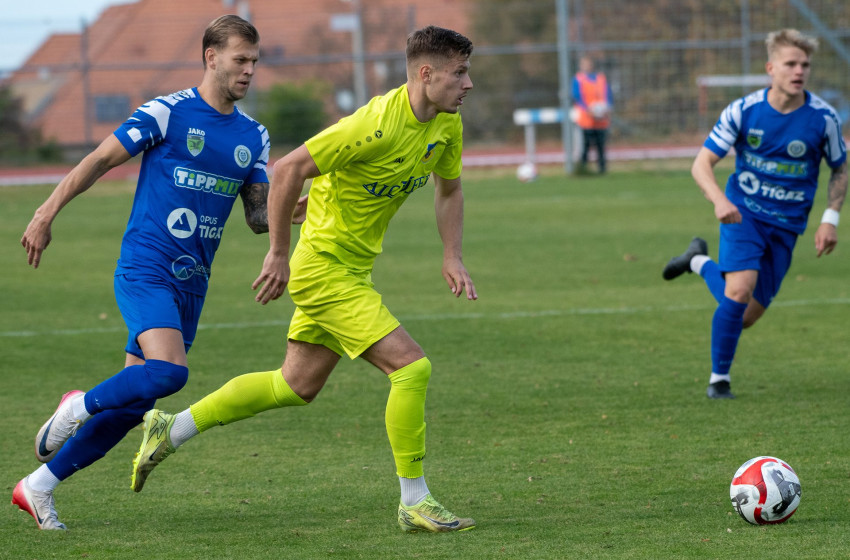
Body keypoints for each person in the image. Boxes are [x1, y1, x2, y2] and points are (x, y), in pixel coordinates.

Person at [130, 25, 478, 533]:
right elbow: (289, 168)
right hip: (323, 270)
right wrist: (277, 253)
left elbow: (449, 190)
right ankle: (415, 500)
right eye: (460, 73)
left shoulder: (446, 124)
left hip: (352, 268)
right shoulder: (372, 125)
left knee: (294, 385)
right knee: (411, 368)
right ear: (426, 74)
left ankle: (172, 428)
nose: (468, 84)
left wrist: (452, 255)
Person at [13, 15, 305, 530]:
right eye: (240, 59)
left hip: (192, 283)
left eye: (255, 62)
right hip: (146, 266)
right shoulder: (167, 113)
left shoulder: (254, 136)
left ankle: (37, 486)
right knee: (170, 373)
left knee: (134, 404)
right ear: (211, 57)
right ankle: (77, 405)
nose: (249, 70)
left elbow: (259, 217)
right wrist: (45, 212)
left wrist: (298, 206)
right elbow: (99, 159)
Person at [662, 29, 847, 399]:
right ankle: (719, 381)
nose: (799, 71)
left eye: (805, 64)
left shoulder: (823, 118)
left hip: (787, 225)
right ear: (770, 68)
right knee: (739, 290)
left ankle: (697, 261)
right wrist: (719, 200)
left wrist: (830, 218)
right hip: (743, 215)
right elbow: (702, 163)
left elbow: (840, 167)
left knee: (744, 315)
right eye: (790, 64)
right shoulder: (744, 111)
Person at [572, 55, 613, 174]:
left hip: (601, 118)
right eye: (584, 64)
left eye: (589, 64)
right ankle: (583, 169)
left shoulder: (601, 78)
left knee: (601, 146)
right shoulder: (578, 79)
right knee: (585, 146)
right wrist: (588, 109)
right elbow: (576, 97)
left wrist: (608, 107)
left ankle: (602, 169)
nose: (587, 66)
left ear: (592, 65)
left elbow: (608, 95)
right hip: (586, 119)